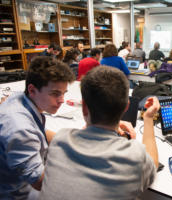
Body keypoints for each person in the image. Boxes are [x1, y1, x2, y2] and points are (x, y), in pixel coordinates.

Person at [40, 66, 159, 199]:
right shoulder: (135, 156)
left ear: (84, 107)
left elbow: (45, 132)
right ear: (126, 107)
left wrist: (98, 123)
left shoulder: (60, 139)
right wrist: (148, 118)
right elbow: (153, 163)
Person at [0, 56, 75, 199]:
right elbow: (40, 182)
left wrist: (78, 140)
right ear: (32, 90)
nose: (62, 100)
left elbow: (40, 131)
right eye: (55, 94)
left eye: (63, 93)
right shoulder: (19, 128)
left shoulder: (20, 99)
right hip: (19, 193)